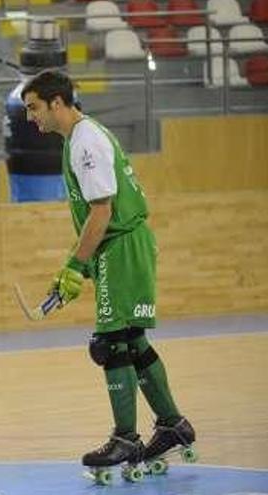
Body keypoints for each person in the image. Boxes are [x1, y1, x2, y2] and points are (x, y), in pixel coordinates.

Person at [21, 69, 196, 477]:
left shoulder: (85, 142)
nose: (31, 117)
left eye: (34, 108)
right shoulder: (80, 138)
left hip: (119, 246)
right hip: (123, 246)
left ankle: (125, 438)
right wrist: (79, 264)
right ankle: (173, 426)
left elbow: (102, 210)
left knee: (110, 343)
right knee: (131, 340)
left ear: (58, 103)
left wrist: (74, 266)